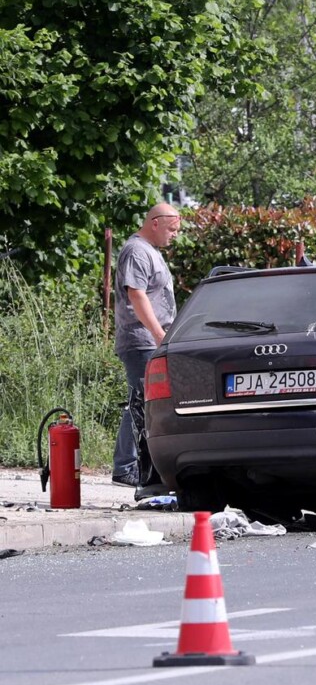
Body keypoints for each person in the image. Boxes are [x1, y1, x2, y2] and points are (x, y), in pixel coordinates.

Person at [112, 202, 182, 500]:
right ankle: (127, 466)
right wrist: (158, 335)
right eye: (172, 229)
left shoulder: (150, 252)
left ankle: (136, 465)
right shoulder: (137, 251)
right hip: (142, 340)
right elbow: (136, 294)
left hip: (150, 340)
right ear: (155, 222)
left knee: (143, 402)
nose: (174, 236)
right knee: (141, 403)